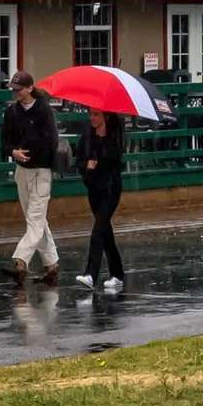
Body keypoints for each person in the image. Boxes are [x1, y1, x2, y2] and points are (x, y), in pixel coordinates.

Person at [0, 72, 62, 283]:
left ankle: (20, 260)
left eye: (19, 88)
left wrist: (35, 152)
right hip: (22, 170)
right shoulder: (11, 112)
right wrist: (13, 152)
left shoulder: (44, 110)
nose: (15, 92)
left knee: (35, 220)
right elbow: (5, 141)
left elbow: (51, 140)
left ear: (30, 88)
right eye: (14, 88)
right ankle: (52, 264)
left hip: (41, 170)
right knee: (36, 219)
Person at [74, 108, 127, 291]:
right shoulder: (87, 138)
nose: (92, 118)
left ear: (106, 117)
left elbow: (117, 163)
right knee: (105, 232)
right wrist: (87, 165)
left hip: (110, 190)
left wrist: (100, 159)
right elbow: (78, 161)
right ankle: (118, 274)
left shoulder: (115, 138)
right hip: (94, 189)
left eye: (96, 115)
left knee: (97, 231)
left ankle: (90, 274)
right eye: (91, 114)